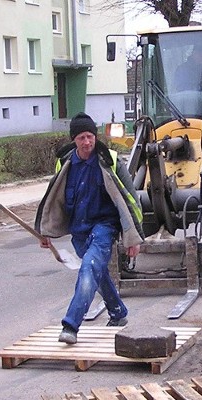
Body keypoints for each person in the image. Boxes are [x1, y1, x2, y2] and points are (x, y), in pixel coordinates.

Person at [35, 112, 144, 344]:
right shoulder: (64, 162)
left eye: (90, 136)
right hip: (79, 230)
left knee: (88, 269)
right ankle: (118, 313)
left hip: (104, 226)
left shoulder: (110, 160)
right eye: (82, 138)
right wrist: (45, 232)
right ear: (74, 140)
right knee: (97, 272)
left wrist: (134, 237)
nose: (87, 142)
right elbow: (53, 199)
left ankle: (71, 325)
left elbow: (130, 201)